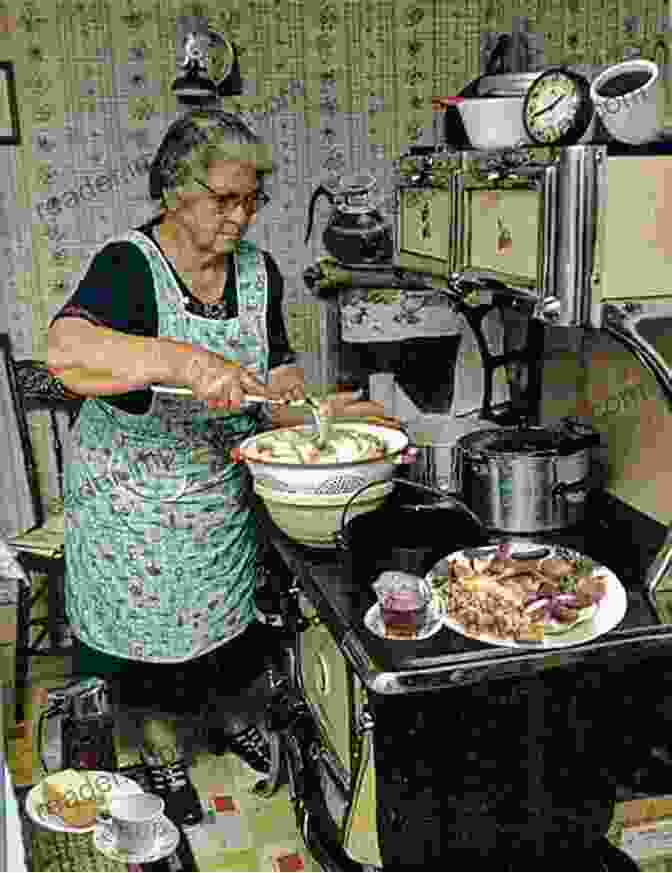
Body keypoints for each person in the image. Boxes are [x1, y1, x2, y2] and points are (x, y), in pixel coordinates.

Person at [47, 108, 384, 826]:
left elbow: (275, 388)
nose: (242, 216)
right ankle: (163, 750)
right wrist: (182, 358)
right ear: (174, 192)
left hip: (214, 491)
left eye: (252, 199)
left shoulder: (260, 273)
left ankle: (223, 721)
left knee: (220, 628)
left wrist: (330, 412)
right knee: (144, 643)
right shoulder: (127, 267)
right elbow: (67, 352)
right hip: (131, 499)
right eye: (225, 200)